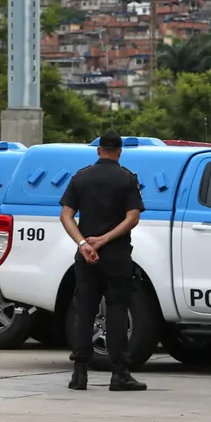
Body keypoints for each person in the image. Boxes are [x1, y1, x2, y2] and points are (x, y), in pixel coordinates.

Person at [58, 132, 147, 392]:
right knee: (117, 310)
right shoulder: (127, 179)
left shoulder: (81, 177)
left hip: (86, 256)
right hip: (117, 255)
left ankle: (79, 374)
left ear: (98, 151)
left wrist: (84, 244)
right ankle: (119, 374)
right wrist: (103, 240)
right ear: (119, 151)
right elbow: (132, 218)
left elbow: (66, 215)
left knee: (84, 311)